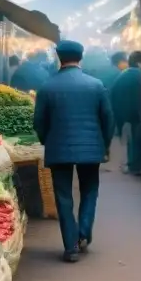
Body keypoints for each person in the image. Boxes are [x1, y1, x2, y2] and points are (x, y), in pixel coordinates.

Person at [34, 40, 113, 263]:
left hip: (58, 148)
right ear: (81, 58)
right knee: (89, 190)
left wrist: (47, 140)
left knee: (63, 196)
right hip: (91, 149)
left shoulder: (47, 87)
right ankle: (84, 233)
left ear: (59, 58)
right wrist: (105, 144)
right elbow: (108, 119)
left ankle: (70, 246)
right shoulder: (96, 85)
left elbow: (39, 122)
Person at [110, 50, 141, 176]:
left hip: (124, 115)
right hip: (139, 115)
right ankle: (137, 166)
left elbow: (113, 94)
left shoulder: (122, 75)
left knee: (131, 140)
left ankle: (132, 164)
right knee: (139, 142)